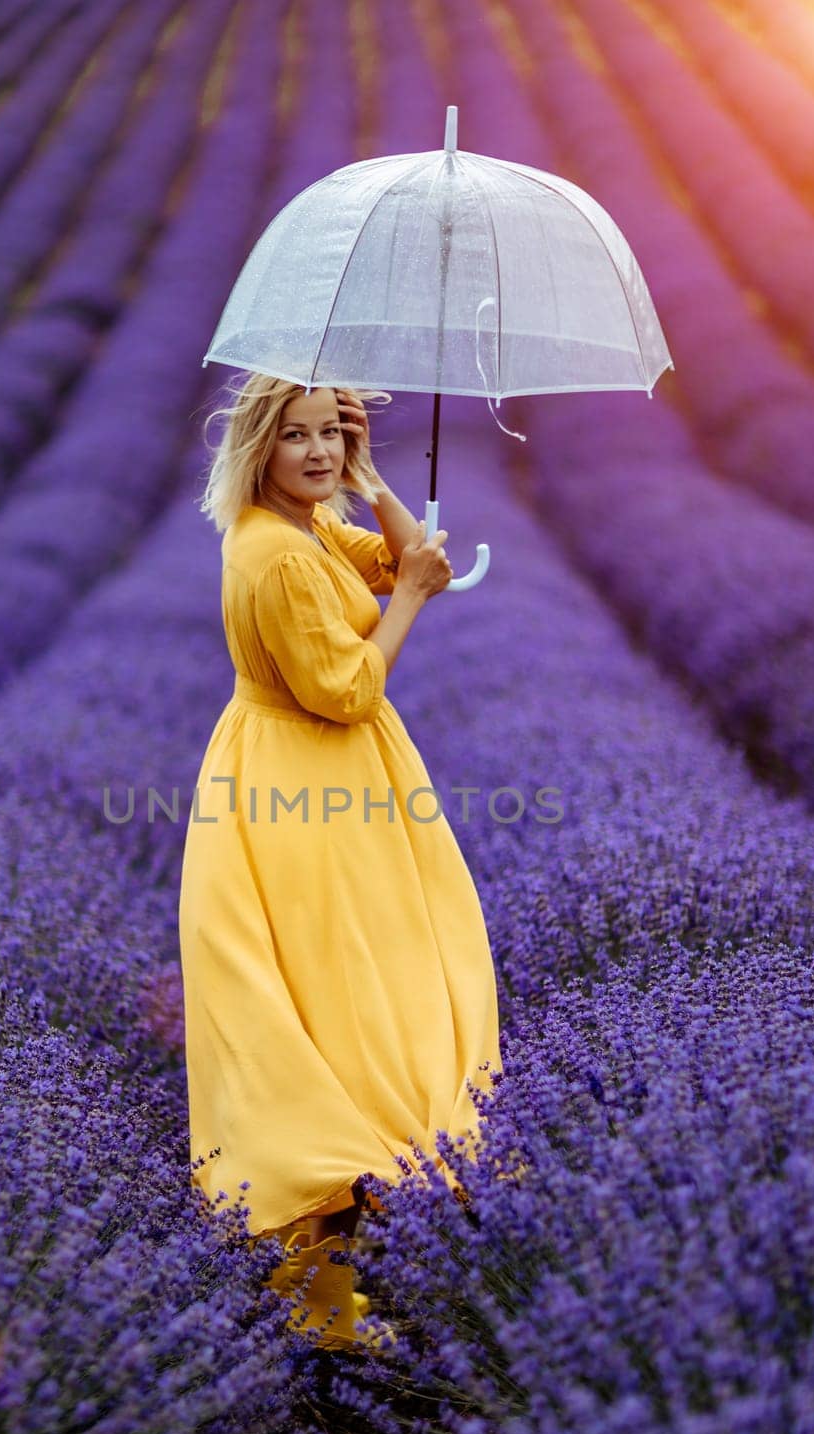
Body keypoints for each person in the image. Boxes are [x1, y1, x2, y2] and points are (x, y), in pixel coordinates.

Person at [179, 373, 503, 1347]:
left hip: (328, 784)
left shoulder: (306, 528)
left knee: (345, 1004)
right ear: (257, 449)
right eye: (298, 437)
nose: (316, 452)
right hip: (305, 790)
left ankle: (326, 1299)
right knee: (335, 1014)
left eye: (333, 433)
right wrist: (403, 600)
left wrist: (367, 481)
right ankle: (321, 1303)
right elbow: (344, 690)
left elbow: (406, 558)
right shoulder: (275, 555)